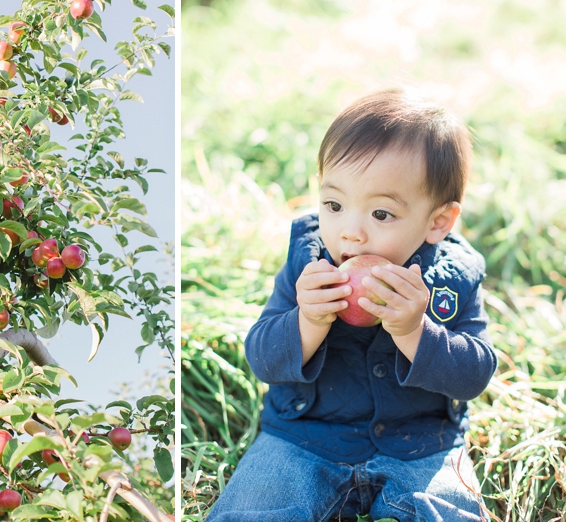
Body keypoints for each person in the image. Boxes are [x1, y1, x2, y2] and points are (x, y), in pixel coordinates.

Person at [206, 89, 496, 522]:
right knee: (254, 509)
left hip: (420, 444)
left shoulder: (453, 279)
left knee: (450, 512)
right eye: (334, 205)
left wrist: (416, 333)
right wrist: (307, 321)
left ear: (438, 222)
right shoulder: (309, 266)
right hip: (303, 440)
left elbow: (475, 373)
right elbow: (261, 358)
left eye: (381, 214)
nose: (351, 233)